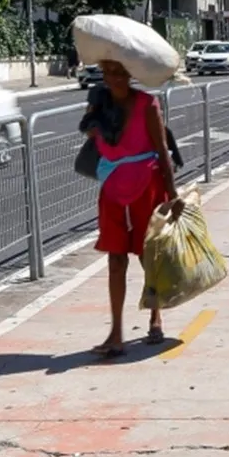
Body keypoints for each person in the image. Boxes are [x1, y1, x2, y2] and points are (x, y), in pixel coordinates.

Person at [79, 60, 184, 358]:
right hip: (112, 188)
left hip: (147, 186)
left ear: (131, 73)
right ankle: (116, 333)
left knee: (146, 256)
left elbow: (163, 149)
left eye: (122, 72)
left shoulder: (147, 104)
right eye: (110, 72)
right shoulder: (99, 102)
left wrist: (173, 195)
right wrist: (93, 114)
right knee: (115, 259)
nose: (116, 78)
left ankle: (155, 315)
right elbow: (88, 134)